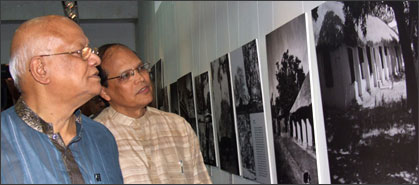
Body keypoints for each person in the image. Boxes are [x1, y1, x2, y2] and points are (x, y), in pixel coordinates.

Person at [1, 15, 124, 184]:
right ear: (41, 69)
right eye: (80, 52)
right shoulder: (5, 138)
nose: (96, 60)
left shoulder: (101, 137)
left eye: (91, 51)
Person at [94, 43, 212, 184]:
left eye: (141, 68)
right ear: (105, 92)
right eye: (125, 76)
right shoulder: (95, 138)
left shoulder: (178, 127)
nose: (140, 78)